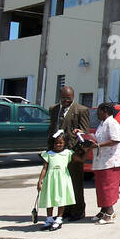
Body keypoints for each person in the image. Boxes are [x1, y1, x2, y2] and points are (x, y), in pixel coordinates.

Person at [48, 86, 93, 220]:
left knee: (75, 183)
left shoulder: (81, 110)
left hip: (73, 153)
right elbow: (51, 128)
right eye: (63, 98)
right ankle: (65, 211)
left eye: (68, 98)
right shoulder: (54, 109)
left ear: (73, 97)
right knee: (61, 184)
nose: (65, 101)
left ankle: (78, 211)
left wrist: (78, 134)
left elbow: (85, 132)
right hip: (56, 153)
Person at [91, 102, 120, 224]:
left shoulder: (112, 123)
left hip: (111, 162)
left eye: (98, 110)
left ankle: (110, 213)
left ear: (105, 111)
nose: (96, 113)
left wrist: (98, 145)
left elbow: (115, 140)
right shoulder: (102, 124)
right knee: (100, 187)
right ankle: (103, 210)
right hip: (101, 160)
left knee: (107, 187)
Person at [37, 132, 76, 230]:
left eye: (60, 143)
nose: (58, 145)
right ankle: (49, 219)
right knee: (49, 198)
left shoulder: (67, 153)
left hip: (62, 179)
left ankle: (59, 219)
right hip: (50, 179)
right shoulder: (49, 154)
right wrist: (40, 181)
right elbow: (44, 168)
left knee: (60, 198)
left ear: (64, 143)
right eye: (56, 143)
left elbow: (79, 158)